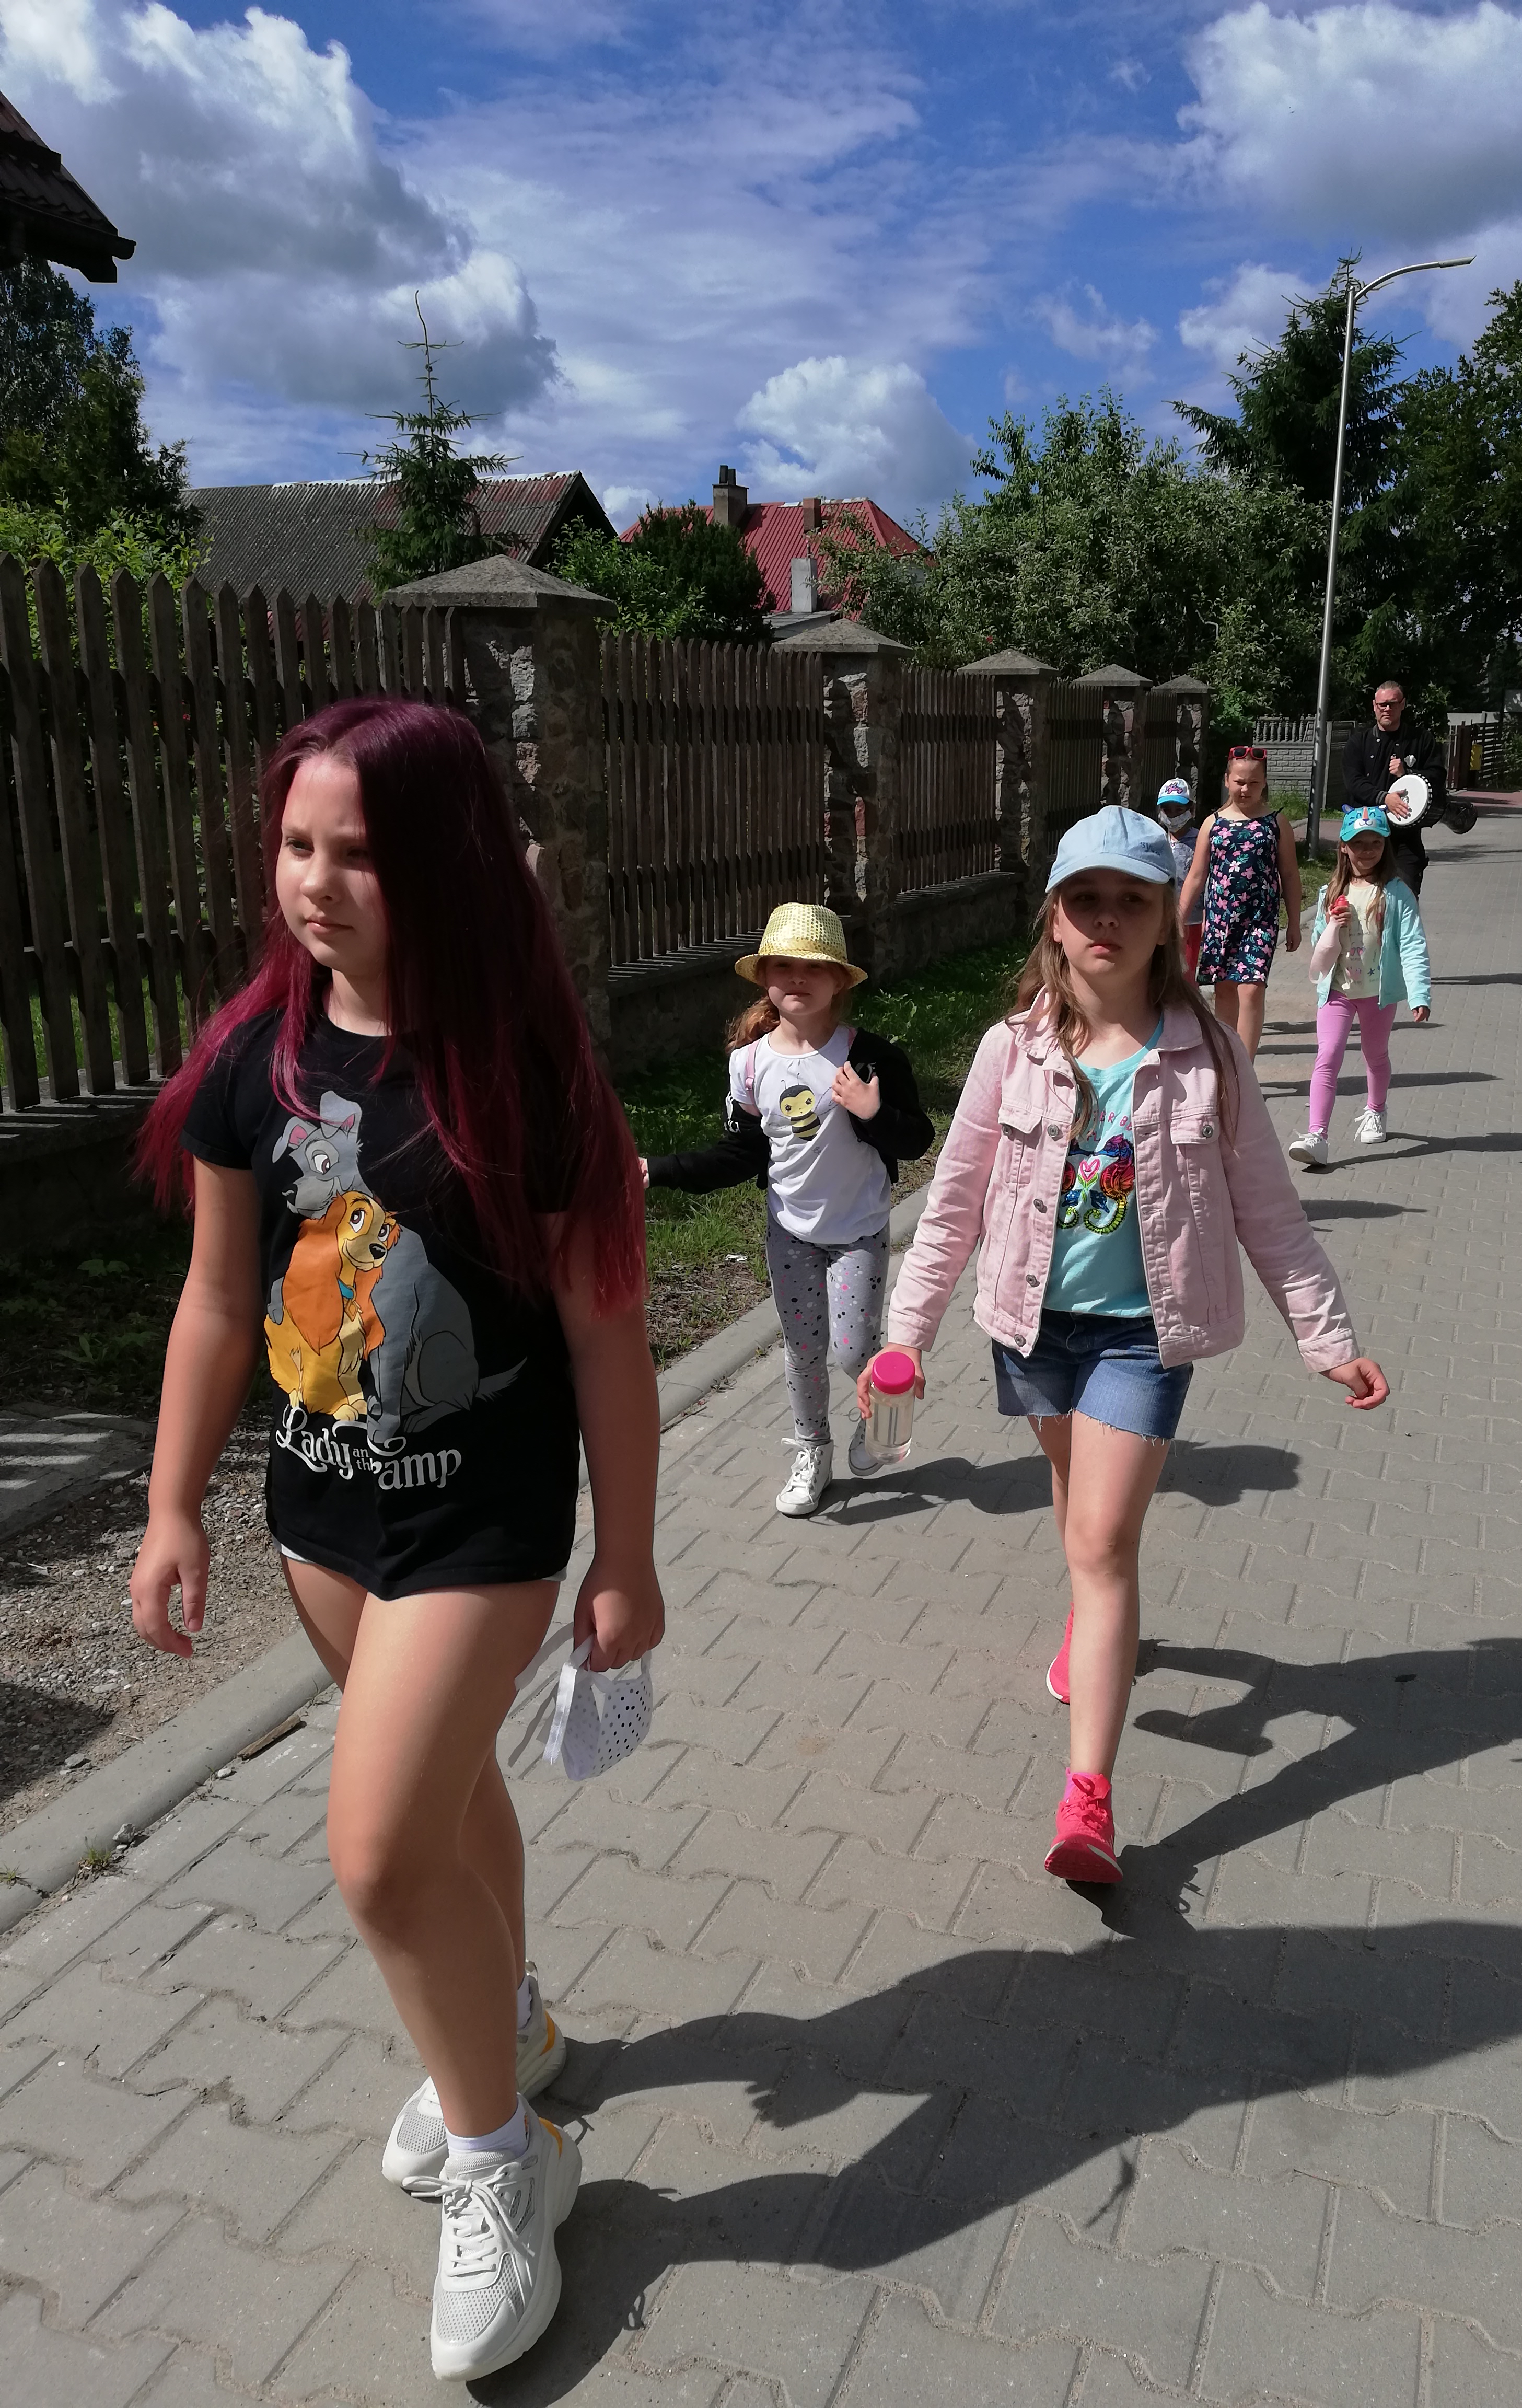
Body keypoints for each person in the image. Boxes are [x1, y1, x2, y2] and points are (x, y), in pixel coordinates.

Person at [129, 697, 663, 2385]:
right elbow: (217, 1296)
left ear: (440, 859)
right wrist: (169, 1502)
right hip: (321, 1517)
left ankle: (510, 2158)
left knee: (374, 1853)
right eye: (295, 843)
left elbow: (605, 1332)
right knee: (444, 1797)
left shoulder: (520, 1068)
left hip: (481, 1521)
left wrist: (629, 1555)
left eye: (355, 851)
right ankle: (507, 2020)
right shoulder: (256, 1058)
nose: (313, 880)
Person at [862, 806, 1389, 1885]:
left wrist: (1325, 1335)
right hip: (1032, 1326)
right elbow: (951, 1205)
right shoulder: (1009, 1052)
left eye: (1131, 901)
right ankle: (1092, 1621)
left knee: (1103, 1537)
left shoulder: (1211, 1059)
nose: (1106, 918)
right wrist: (902, 1337)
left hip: (1146, 1335)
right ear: (1054, 918)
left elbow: (1270, 1212)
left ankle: (1088, 1800)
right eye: (1086, 899)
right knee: (1079, 1513)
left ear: (1164, 922)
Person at [643, 903, 932, 1520]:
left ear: (840, 980)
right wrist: (659, 1169)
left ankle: (883, 1418)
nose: (797, 976)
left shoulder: (871, 1058)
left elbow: (917, 1140)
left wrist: (871, 1112)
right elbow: (738, 1154)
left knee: (853, 1351)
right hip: (790, 1233)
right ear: (765, 979)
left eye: (814, 966)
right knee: (803, 1351)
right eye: (783, 965)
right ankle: (812, 1451)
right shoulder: (749, 1064)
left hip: (858, 1230)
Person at [1288, 803, 1431, 1169]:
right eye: (1358, 843)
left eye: (1375, 843)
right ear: (1344, 847)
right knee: (1327, 1057)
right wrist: (1331, 924)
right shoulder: (1331, 891)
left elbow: (1413, 945)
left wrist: (1419, 993)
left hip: (1377, 995)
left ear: (1385, 846)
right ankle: (1317, 1136)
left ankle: (1376, 1110)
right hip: (1337, 991)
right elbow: (1320, 946)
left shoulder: (1397, 894)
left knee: (1375, 1055)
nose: (1367, 851)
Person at [1175, 743, 1302, 1060]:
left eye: (1254, 783)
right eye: (1240, 782)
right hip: (1221, 921)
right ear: (1227, 780)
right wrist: (1178, 919)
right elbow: (1196, 876)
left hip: (1260, 921)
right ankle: (1225, 1061)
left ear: (1265, 783)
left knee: (1252, 988)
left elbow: (1290, 874)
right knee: (1225, 991)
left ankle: (1245, 1068)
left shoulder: (1276, 823)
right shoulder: (1213, 823)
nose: (1246, 789)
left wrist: (1295, 923)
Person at [1341, 680, 1447, 898]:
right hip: (1365, 836)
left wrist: (1408, 772)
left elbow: (1438, 777)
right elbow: (1354, 782)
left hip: (1405, 839)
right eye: (1382, 705)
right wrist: (1384, 798)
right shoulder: (1358, 743)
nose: (1387, 709)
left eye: (1393, 704)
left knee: (1404, 898)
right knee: (1362, 898)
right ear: (1374, 706)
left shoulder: (1421, 740)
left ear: (1403, 704)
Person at [1154, 775, 1205, 979]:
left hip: (1192, 921)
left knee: (1185, 974)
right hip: (1160, 918)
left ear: (1191, 810)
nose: (1173, 815)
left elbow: (1207, 881)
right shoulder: (1157, 841)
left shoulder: (1201, 840)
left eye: (1179, 809)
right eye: (1167, 810)